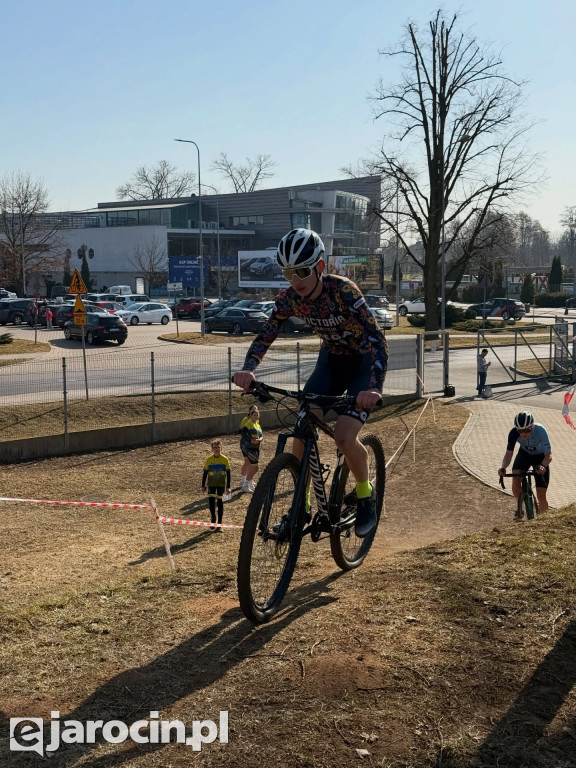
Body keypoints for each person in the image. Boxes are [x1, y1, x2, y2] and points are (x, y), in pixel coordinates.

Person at [233, 228, 389, 538]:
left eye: (302, 271)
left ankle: (365, 493)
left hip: (362, 364)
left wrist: (373, 387)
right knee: (302, 430)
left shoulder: (344, 291)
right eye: (288, 272)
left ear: (319, 267)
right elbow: (266, 334)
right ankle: (301, 506)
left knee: (344, 438)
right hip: (331, 362)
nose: (295, 280)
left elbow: (377, 339)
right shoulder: (289, 298)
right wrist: (248, 369)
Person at [498, 411, 551, 515]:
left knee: (541, 494)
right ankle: (520, 507)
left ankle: (544, 519)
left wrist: (543, 465)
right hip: (524, 455)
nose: (523, 433)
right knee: (516, 477)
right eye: (520, 431)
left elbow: (548, 455)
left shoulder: (541, 431)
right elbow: (508, 455)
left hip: (540, 458)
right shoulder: (513, 433)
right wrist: (503, 467)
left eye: (527, 430)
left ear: (532, 427)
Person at [201, 439, 231, 531]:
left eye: (218, 447)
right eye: (215, 447)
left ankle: (220, 523)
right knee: (211, 503)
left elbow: (228, 474)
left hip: (221, 484)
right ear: (212, 449)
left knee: (220, 503)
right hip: (212, 484)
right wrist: (203, 485)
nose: (217, 449)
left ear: (221, 448)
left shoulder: (225, 459)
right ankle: (213, 519)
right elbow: (205, 473)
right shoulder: (209, 460)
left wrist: (228, 487)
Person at [239, 405, 263, 493]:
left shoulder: (257, 423)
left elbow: (260, 435)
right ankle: (244, 481)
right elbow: (243, 432)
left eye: (257, 412)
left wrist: (259, 439)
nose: (255, 413)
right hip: (247, 446)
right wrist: (250, 440)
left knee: (250, 463)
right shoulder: (247, 421)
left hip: (254, 447)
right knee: (249, 464)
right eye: (253, 412)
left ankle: (248, 481)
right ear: (250, 412)